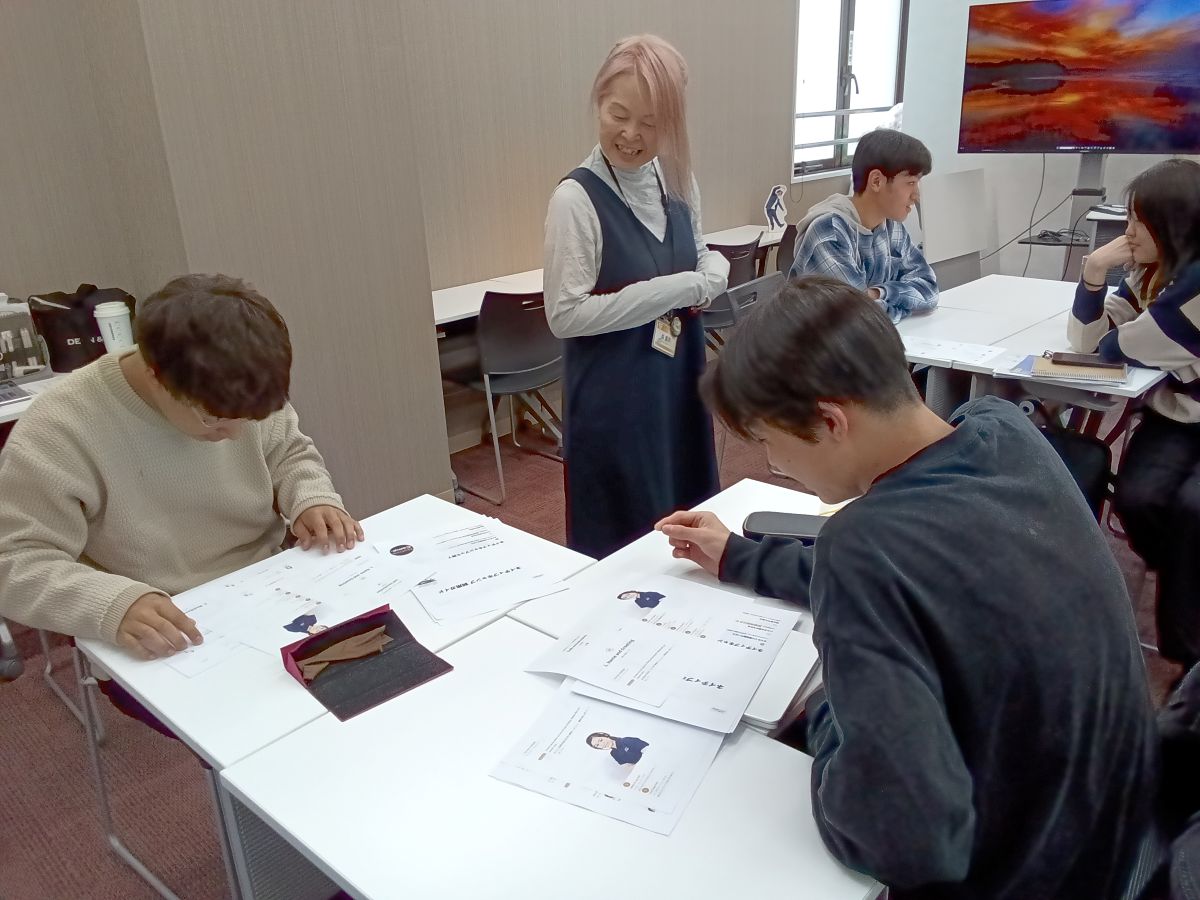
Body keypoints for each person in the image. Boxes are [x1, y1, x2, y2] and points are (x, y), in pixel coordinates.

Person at [656, 276, 1162, 898]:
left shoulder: (862, 548)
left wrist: (827, 714)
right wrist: (740, 557)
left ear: (829, 421)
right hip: (1117, 841)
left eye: (767, 442)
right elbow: (917, 569)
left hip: (1018, 876)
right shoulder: (1002, 430)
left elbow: (904, 841)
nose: (774, 465)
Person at [0, 273, 363, 667]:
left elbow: (289, 452)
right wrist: (114, 604)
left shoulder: (238, 382)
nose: (235, 434)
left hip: (267, 582)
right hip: (162, 620)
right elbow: (15, 559)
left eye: (252, 418)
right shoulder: (60, 427)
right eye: (214, 419)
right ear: (155, 376)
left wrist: (312, 498)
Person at [544, 34, 729, 559]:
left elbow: (698, 251)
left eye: (650, 123)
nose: (630, 135)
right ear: (598, 103)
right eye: (618, 114)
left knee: (689, 529)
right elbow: (565, 314)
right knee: (626, 548)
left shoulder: (677, 178)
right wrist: (680, 287)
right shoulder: (575, 199)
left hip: (678, 383)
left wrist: (712, 271)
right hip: (617, 399)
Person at [1068, 158, 1200, 670]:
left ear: (1173, 224)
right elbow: (1088, 341)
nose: (1127, 233)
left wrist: (1113, 331)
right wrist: (1092, 273)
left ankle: (1186, 655)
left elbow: (1114, 346)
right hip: (1178, 418)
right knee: (1139, 498)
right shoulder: (1155, 273)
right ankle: (1185, 579)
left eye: (1137, 222)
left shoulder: (1192, 290)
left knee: (1192, 511)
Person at [790, 128, 937, 323]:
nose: (916, 195)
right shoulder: (829, 231)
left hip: (873, 339)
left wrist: (878, 293)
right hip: (821, 343)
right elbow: (858, 316)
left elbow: (929, 290)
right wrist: (902, 304)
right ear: (876, 181)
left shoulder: (891, 227)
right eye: (910, 183)